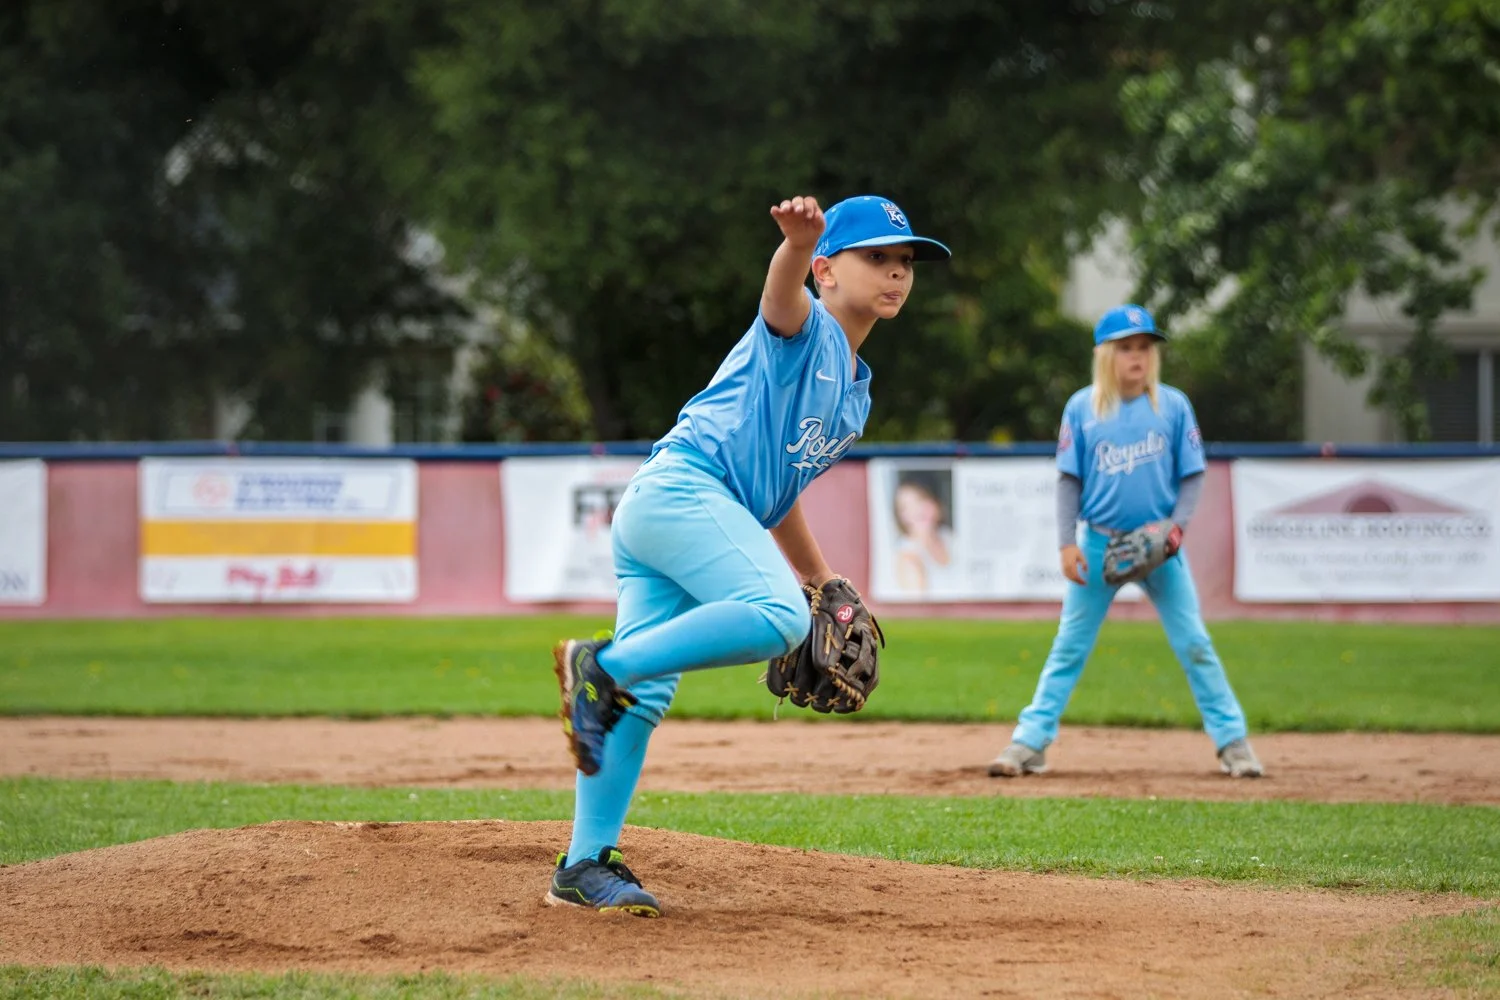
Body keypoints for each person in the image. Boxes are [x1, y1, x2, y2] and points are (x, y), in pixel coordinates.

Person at [548, 194, 951, 916]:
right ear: (828, 271)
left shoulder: (855, 397)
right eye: (877, 258)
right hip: (685, 493)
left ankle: (582, 865)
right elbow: (778, 295)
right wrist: (796, 243)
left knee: (642, 699)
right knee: (774, 616)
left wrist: (821, 577)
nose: (896, 273)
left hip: (680, 511)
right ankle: (597, 665)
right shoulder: (805, 331)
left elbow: (779, 493)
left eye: (905, 262)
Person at [987, 305, 1264, 781]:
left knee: (1195, 642)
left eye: (1145, 348)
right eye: (1127, 348)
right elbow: (1068, 482)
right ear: (1106, 355)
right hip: (1098, 544)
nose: (1138, 357)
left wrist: (1176, 528)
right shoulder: (1084, 406)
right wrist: (1065, 543)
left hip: (1160, 547)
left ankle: (1232, 742)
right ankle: (1030, 742)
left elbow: (1193, 476)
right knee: (1069, 645)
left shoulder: (1172, 405)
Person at [892, 473, 959, 595]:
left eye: (920, 500)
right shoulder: (908, 557)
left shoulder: (950, 538)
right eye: (905, 507)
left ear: (936, 502)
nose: (916, 511)